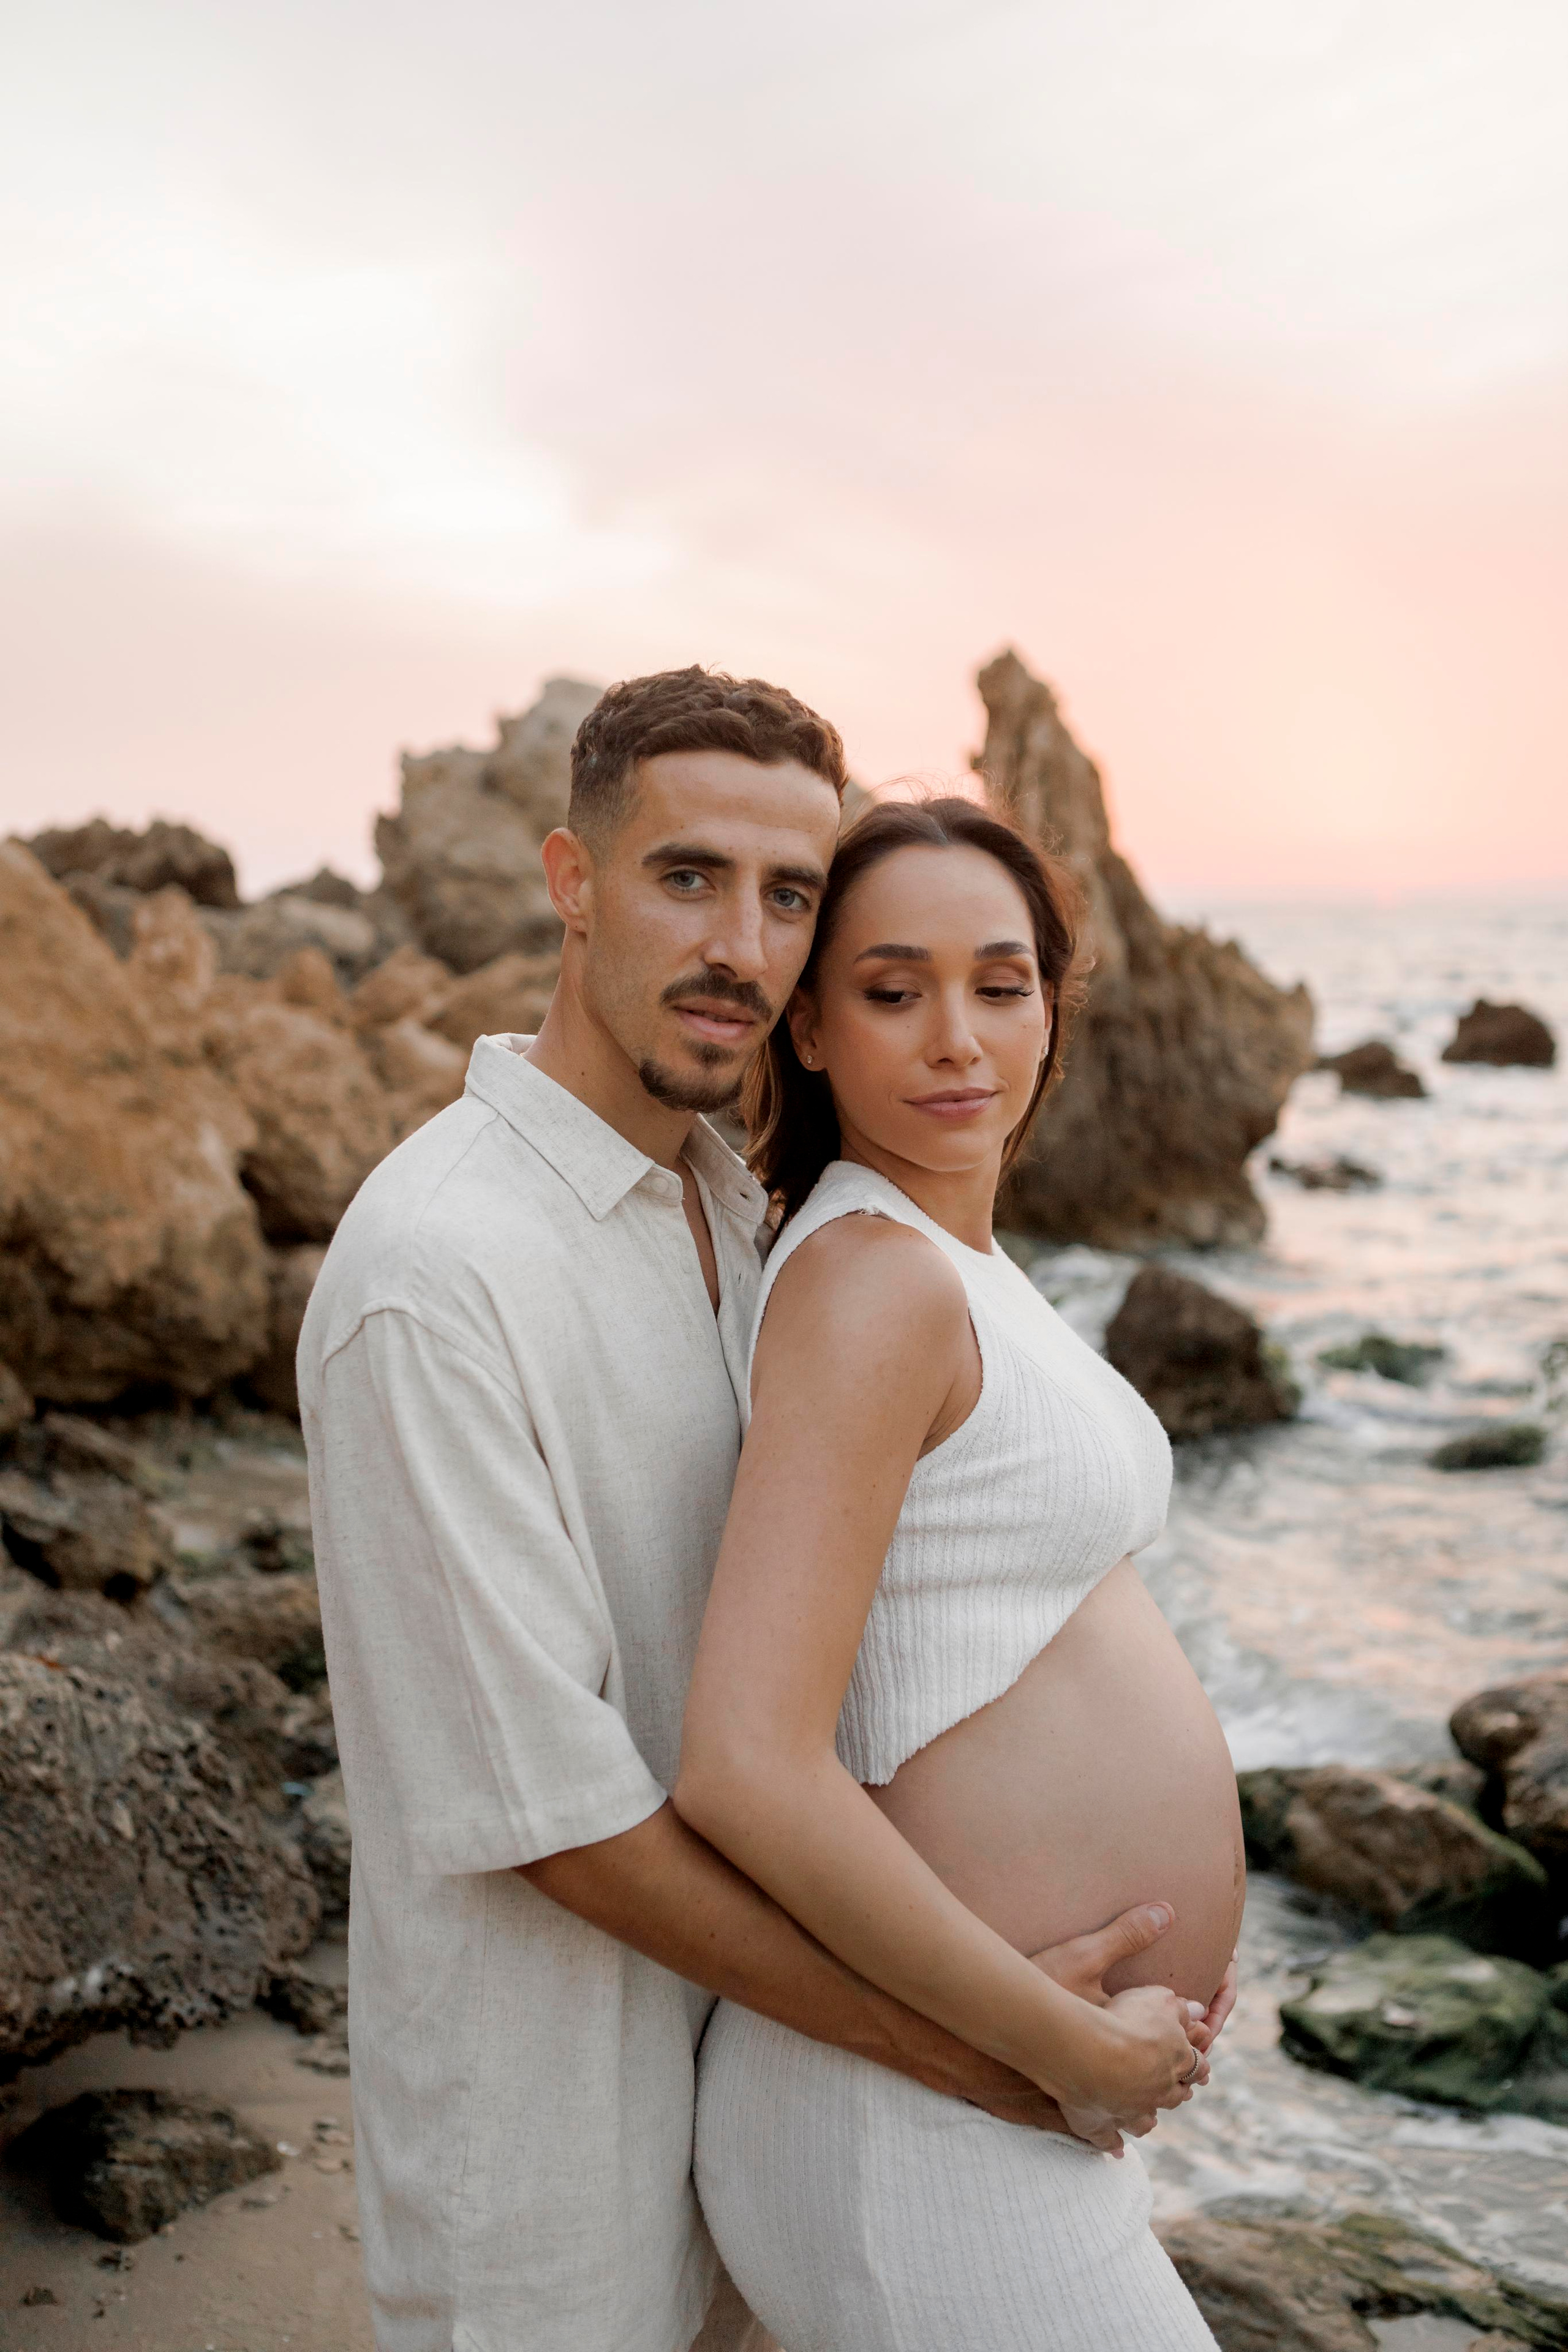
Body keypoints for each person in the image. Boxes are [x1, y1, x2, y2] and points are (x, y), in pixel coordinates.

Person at [298, 673, 1231, 2352]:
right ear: (571, 883)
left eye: (788, 895)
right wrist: (988, 2040)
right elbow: (563, 1820)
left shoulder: (731, 1206)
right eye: (686, 877)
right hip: (556, 2139)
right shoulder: (436, 1278)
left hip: (764, 2071)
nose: (742, 940)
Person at [679, 794, 1246, 2351]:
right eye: (889, 988)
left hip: (970, 2103)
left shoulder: (945, 1267)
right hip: (913, 2116)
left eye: (999, 985)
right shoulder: (873, 1285)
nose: (954, 1038)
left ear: (1049, 1013)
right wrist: (1056, 2041)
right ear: (803, 1028)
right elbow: (743, 1767)